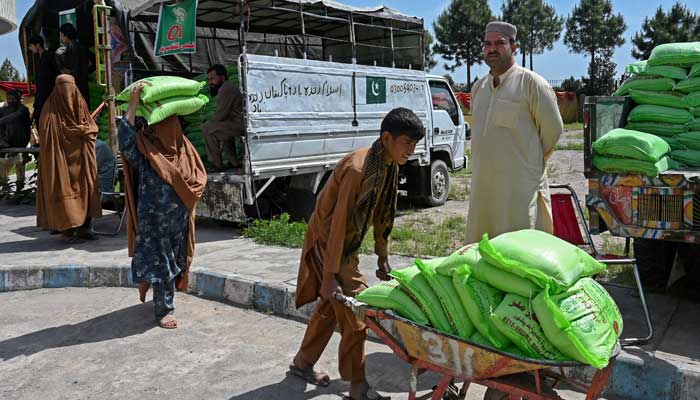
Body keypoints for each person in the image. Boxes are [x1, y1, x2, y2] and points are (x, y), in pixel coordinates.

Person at [290, 108, 424, 400]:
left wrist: (381, 254)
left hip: (346, 246)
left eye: (414, 145)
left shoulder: (388, 164)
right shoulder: (358, 169)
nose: (411, 151)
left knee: (330, 309)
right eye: (406, 143)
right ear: (387, 138)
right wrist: (328, 275)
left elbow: (383, 213)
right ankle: (358, 385)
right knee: (356, 312)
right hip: (328, 243)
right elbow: (338, 224)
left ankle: (302, 363)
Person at [465, 21, 563, 244]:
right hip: (484, 187)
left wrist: (527, 162)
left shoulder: (532, 84)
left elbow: (553, 132)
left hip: (519, 189)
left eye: (499, 43)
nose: (492, 49)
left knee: (521, 251)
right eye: (487, 44)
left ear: (514, 47)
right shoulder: (479, 88)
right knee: (482, 248)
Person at [120, 84, 207, 329]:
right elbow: (125, 139)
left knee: (174, 262)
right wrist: (134, 104)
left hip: (178, 223)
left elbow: (199, 180)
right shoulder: (148, 152)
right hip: (153, 222)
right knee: (161, 263)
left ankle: (165, 299)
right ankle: (164, 310)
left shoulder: (185, 151)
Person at [36, 75, 101, 240]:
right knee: (63, 190)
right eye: (63, 87)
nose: (67, 93)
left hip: (82, 160)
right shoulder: (49, 111)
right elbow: (47, 139)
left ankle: (84, 228)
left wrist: (83, 131)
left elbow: (92, 127)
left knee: (87, 190)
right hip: (61, 162)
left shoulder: (80, 103)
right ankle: (67, 229)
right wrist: (73, 132)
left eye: (70, 87)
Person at [201, 64, 244, 171]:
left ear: (222, 77)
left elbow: (220, 115)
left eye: (213, 78)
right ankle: (234, 162)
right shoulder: (227, 87)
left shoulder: (226, 89)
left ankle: (216, 164)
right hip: (236, 123)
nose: (210, 82)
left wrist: (211, 122)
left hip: (240, 124)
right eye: (209, 79)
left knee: (207, 128)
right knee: (221, 129)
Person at [58, 23, 94, 105]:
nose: (61, 38)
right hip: (84, 85)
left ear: (65, 35)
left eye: (61, 35)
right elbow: (95, 62)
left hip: (72, 86)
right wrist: (87, 71)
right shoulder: (83, 47)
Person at [28, 35, 60, 127]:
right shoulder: (39, 59)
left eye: (31, 46)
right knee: (39, 121)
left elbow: (56, 74)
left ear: (37, 45)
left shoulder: (50, 56)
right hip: (41, 97)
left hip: (49, 96)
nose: (30, 48)